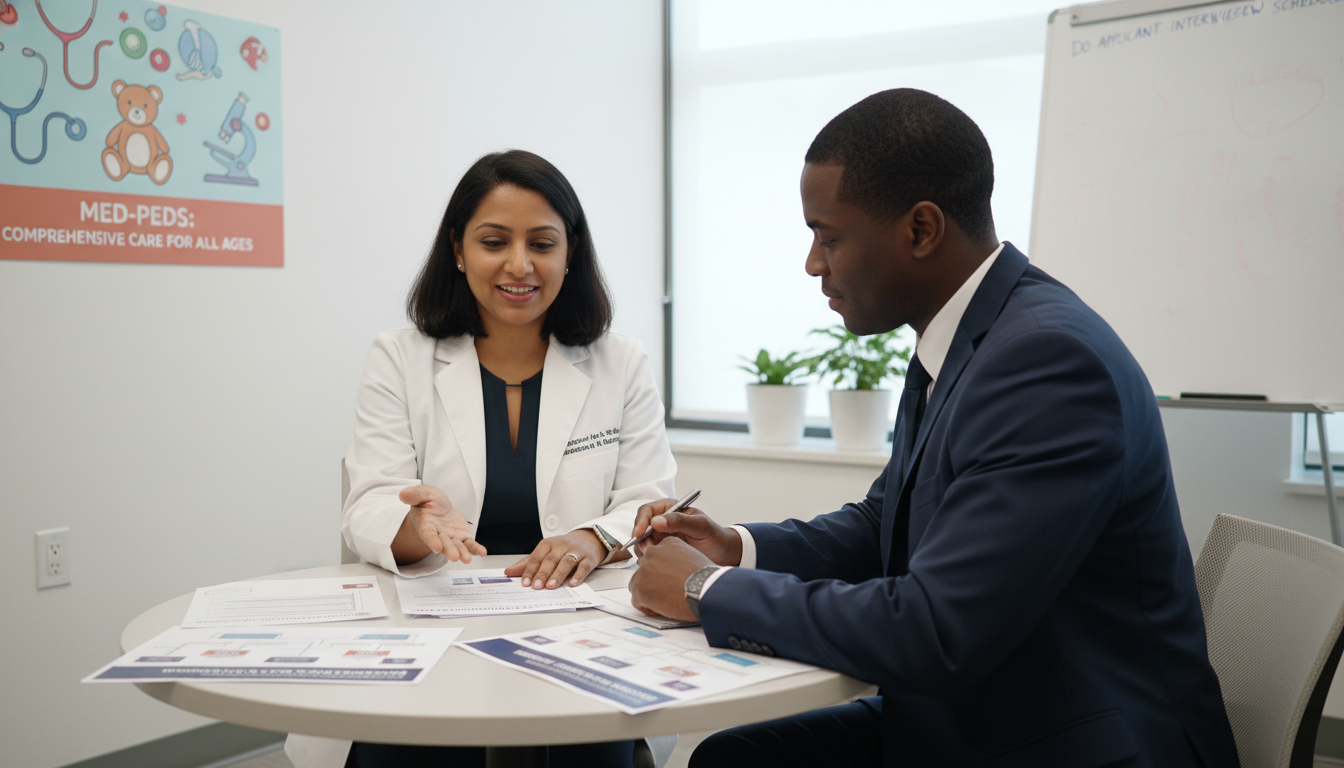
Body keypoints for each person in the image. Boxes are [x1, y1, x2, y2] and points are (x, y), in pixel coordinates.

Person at [627, 89, 1239, 767]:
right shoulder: (971, 338)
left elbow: (935, 631)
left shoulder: (1047, 364)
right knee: (732, 759)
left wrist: (704, 590)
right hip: (982, 713)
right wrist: (735, 548)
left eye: (828, 236)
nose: (812, 263)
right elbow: (883, 523)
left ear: (920, 230)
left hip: (1067, 739)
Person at [287, 150, 676, 768]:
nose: (519, 265)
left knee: (592, 752)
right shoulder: (400, 357)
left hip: (577, 634)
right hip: (431, 632)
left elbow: (648, 499)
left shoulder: (619, 362)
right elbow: (369, 501)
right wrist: (417, 527)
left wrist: (593, 538)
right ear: (459, 250)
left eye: (541, 243)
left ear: (569, 252)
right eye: (494, 241)